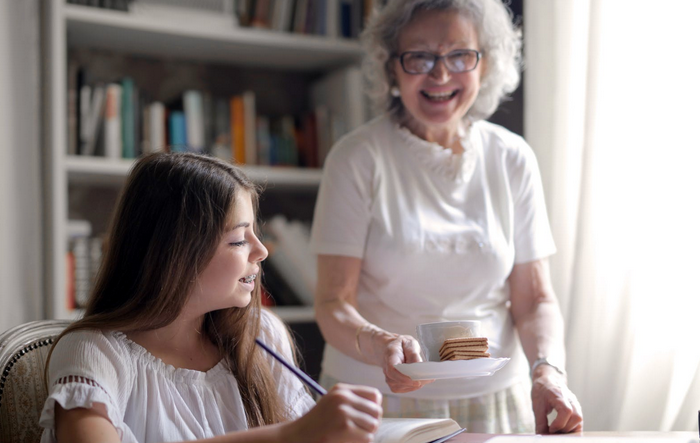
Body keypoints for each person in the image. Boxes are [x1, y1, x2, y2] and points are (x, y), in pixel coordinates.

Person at [310, 0, 583, 435]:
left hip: (495, 399)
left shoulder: (512, 157)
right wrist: (381, 345)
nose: (440, 75)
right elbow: (331, 303)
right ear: (391, 67)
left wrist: (548, 372)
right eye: (419, 56)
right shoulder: (357, 158)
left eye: (460, 55)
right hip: (375, 399)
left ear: (485, 64)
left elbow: (534, 301)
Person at [39, 153, 382, 443]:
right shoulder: (94, 354)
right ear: (175, 253)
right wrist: (289, 436)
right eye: (237, 241)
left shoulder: (262, 335)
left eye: (255, 234)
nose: (262, 251)